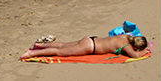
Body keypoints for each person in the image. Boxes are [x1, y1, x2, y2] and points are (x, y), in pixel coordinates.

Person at [20, 33, 149, 59]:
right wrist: (145, 52)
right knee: (60, 52)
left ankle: (38, 46)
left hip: (90, 39)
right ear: (136, 46)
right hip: (90, 48)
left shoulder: (125, 36)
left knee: (62, 45)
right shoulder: (126, 45)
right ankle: (31, 53)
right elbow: (135, 55)